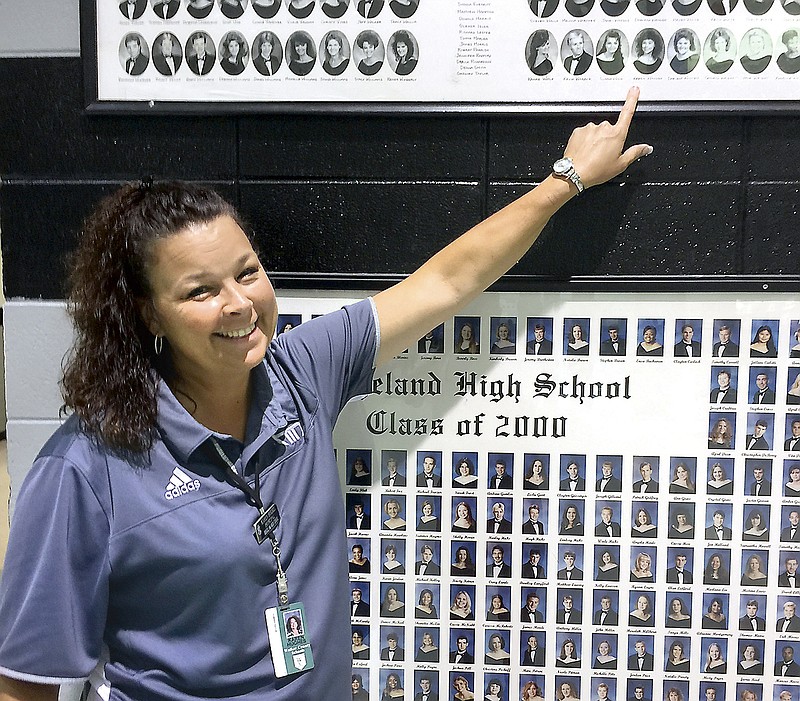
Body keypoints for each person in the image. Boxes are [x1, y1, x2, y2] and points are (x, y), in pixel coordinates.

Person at [0, 92, 652, 701]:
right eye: (200, 291)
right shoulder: (85, 468)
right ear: (147, 313)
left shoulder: (304, 370)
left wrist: (567, 177)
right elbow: (24, 682)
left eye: (247, 271)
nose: (238, 304)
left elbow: (447, 281)